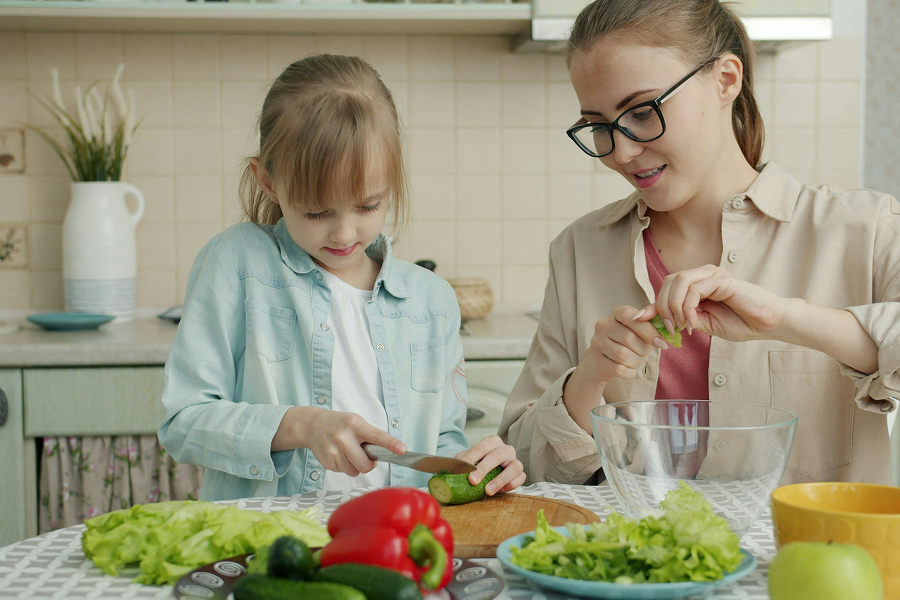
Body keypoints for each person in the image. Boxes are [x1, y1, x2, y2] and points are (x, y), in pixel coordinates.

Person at [499, 0, 900, 486]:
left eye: (642, 112)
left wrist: (784, 318)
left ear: (726, 79)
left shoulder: (865, 228)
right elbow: (519, 461)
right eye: (600, 127)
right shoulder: (579, 251)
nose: (622, 152)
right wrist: (587, 380)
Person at [158, 54, 524, 501]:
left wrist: (475, 470)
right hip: (272, 535)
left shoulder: (431, 301)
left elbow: (442, 444)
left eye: (368, 205)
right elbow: (183, 421)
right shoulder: (237, 263)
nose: (345, 233)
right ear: (269, 182)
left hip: (396, 534)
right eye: (317, 211)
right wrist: (301, 425)